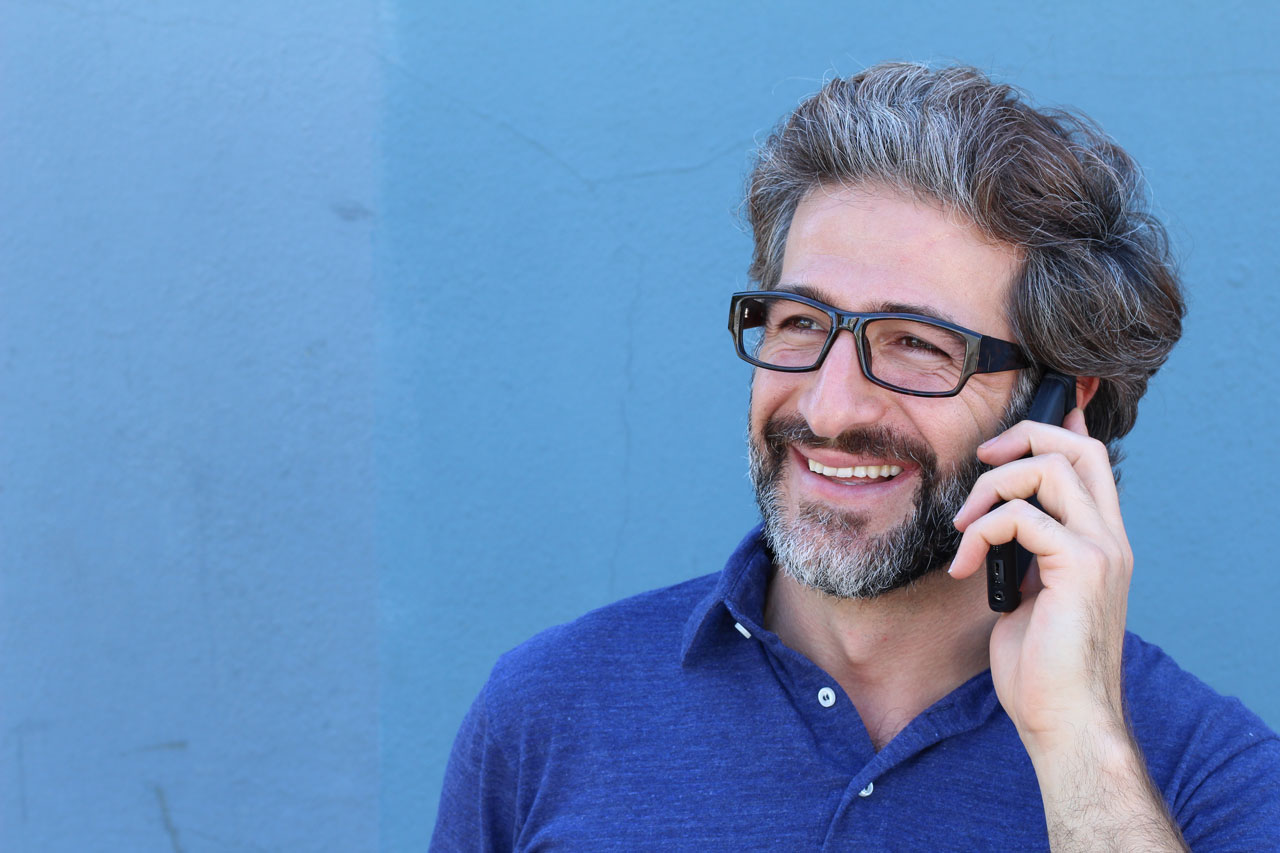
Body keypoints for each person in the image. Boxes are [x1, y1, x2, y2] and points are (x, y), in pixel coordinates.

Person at [430, 62, 1280, 850]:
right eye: (801, 323)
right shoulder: (548, 709)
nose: (830, 408)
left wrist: (1079, 748)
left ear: (1062, 402)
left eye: (916, 343)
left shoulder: (1210, 781)